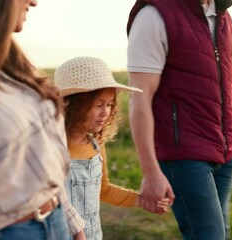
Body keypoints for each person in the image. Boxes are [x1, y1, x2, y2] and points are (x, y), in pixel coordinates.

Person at [126, 0, 232, 239]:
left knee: (217, 234)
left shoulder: (222, 17)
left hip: (222, 154)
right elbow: (139, 98)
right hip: (182, 155)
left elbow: (231, 81)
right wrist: (150, 171)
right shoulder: (155, 16)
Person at [0, 0, 86, 240]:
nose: (34, 2)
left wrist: (74, 224)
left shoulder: (14, 67)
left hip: (55, 221)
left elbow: (41, 161)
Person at [54, 56, 170, 240]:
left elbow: (104, 190)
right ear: (74, 105)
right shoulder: (53, 147)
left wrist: (139, 200)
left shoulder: (96, 146)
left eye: (109, 104)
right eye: (98, 104)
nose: (105, 112)